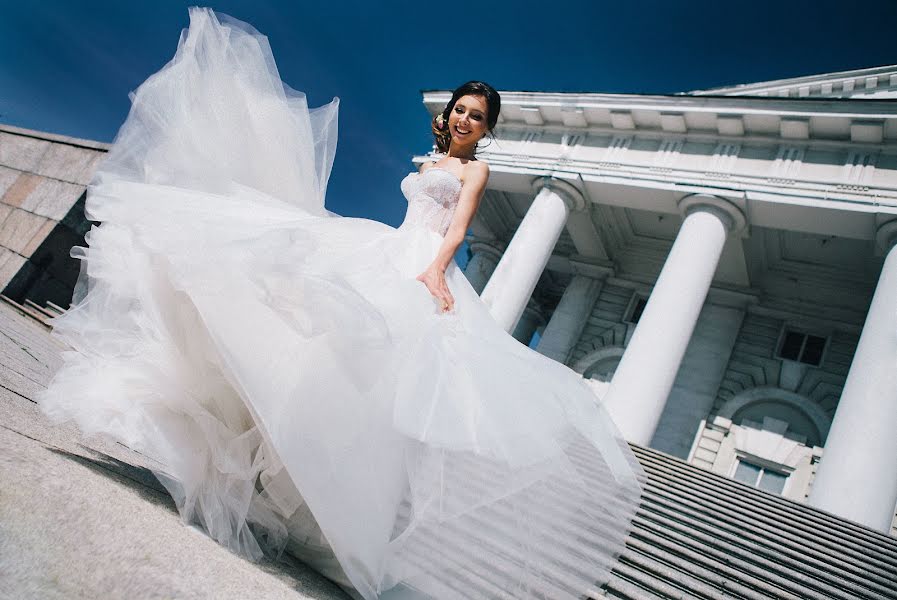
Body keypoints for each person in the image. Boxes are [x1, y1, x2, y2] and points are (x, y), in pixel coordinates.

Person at [37, 8, 644, 600]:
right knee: (318, 340)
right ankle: (283, 480)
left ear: (487, 128)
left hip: (423, 261)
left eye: (476, 116)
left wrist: (434, 272)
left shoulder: (473, 173)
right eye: (460, 109)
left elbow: (457, 230)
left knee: (378, 377)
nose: (464, 119)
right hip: (391, 244)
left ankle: (334, 514)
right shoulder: (433, 160)